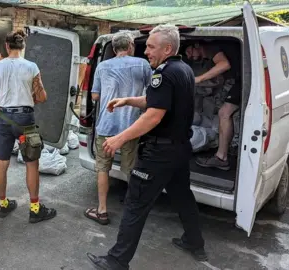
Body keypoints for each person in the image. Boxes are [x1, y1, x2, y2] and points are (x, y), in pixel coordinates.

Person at [86, 24, 207, 270]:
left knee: (135, 204)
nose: (146, 51)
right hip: (179, 150)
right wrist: (128, 100)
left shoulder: (162, 74)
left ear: (168, 48)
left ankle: (117, 260)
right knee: (183, 197)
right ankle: (195, 243)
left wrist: (119, 139)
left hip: (159, 153)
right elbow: (157, 100)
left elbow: (154, 115)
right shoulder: (182, 69)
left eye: (151, 47)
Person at [0, 29, 57, 223]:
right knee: (31, 164)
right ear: (23, 46)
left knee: (2, 162)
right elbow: (41, 96)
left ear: (7, 46)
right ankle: (34, 208)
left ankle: (4, 205)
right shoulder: (31, 67)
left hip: (5, 119)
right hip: (25, 120)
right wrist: (30, 97)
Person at [84, 32, 152, 225]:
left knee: (103, 168)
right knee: (131, 169)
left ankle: (102, 210)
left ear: (114, 49)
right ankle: (134, 210)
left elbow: (95, 97)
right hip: (131, 127)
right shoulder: (143, 64)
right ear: (131, 45)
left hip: (106, 125)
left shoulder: (103, 66)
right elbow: (151, 93)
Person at [185, 43, 238, 171]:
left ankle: (221, 157)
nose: (189, 56)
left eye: (188, 51)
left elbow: (225, 64)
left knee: (224, 113)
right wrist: (199, 84)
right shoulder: (209, 57)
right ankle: (226, 150)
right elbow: (217, 81)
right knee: (223, 113)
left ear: (196, 45)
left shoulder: (209, 47)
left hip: (241, 80)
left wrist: (198, 79)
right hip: (236, 81)